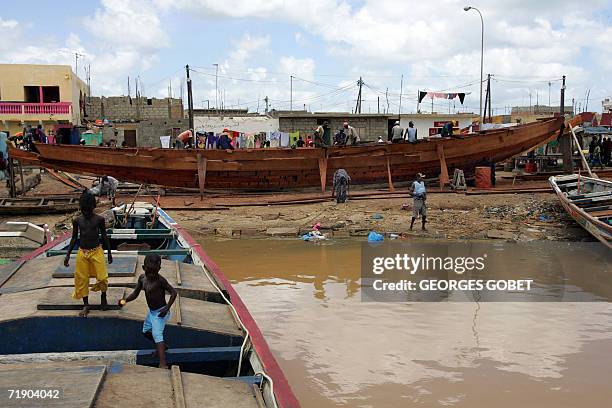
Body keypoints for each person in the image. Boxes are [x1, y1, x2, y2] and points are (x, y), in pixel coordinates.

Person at [119, 254, 177, 369]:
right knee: (145, 332)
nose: (151, 275)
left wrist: (167, 308)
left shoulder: (160, 281)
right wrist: (125, 300)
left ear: (159, 270)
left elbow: (173, 293)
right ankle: (162, 347)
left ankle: (163, 364)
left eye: (154, 272)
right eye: (149, 272)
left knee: (157, 334)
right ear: (143, 268)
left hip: (161, 312)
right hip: (152, 312)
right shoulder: (142, 279)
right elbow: (135, 293)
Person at [64, 191, 113, 317]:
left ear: (93, 207)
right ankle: (86, 304)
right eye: (83, 210)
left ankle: (103, 296)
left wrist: (108, 252)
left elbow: (104, 236)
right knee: (81, 279)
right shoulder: (77, 220)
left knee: (102, 277)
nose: (86, 213)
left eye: (88, 210)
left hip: (96, 251)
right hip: (82, 253)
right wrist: (68, 254)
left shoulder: (99, 219)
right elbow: (74, 238)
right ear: (81, 208)